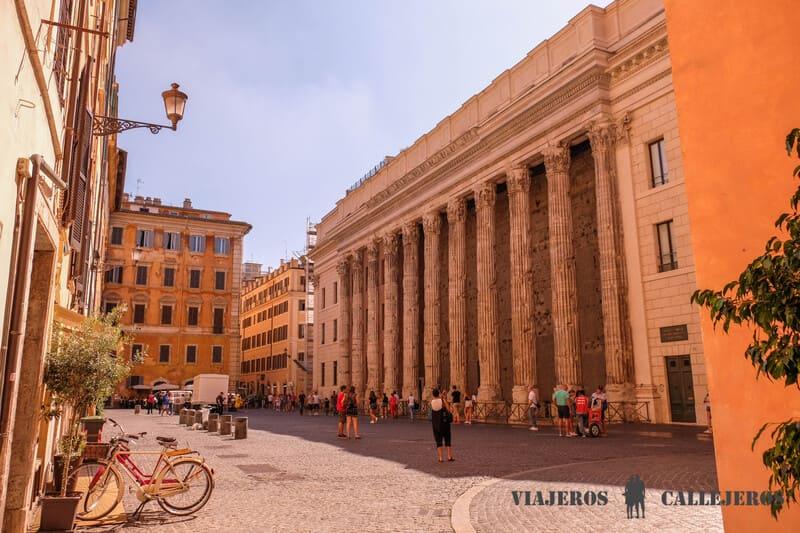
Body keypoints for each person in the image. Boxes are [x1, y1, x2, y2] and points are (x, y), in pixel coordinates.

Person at [430, 388, 454, 463]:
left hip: (436, 424)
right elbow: (448, 409)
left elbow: (435, 400)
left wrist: (440, 396)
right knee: (447, 440)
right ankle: (449, 456)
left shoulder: (432, 402)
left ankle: (440, 458)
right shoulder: (441, 401)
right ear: (438, 393)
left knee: (438, 441)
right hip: (444, 423)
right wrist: (443, 398)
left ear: (433, 394)